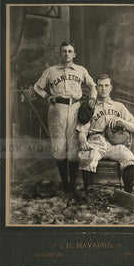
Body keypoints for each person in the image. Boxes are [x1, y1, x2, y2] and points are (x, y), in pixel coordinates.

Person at [34, 42, 97, 195]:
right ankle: (64, 184)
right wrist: (47, 96)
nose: (67, 54)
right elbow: (36, 87)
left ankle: (72, 184)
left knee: (74, 148)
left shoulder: (81, 70)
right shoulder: (51, 71)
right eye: (64, 51)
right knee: (59, 147)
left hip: (76, 109)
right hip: (56, 110)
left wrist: (93, 98)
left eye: (70, 51)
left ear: (74, 54)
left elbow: (93, 85)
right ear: (60, 54)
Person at [76, 74, 134, 194]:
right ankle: (89, 194)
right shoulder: (91, 107)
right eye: (100, 86)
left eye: (106, 85)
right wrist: (82, 140)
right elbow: (82, 129)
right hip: (96, 141)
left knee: (129, 159)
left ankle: (128, 194)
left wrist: (122, 121)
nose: (103, 89)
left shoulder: (119, 106)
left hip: (115, 143)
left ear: (111, 88)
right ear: (96, 88)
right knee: (88, 157)